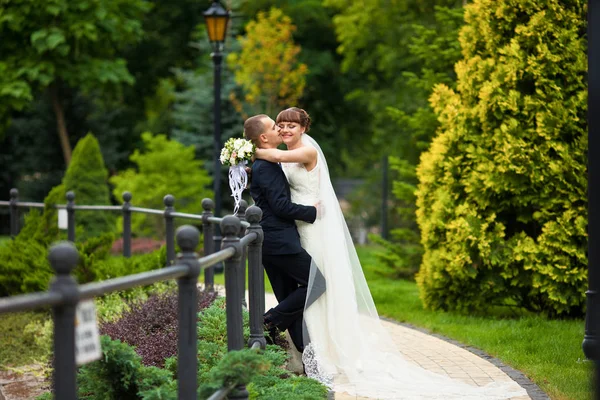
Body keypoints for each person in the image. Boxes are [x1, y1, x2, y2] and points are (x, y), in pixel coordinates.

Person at [254, 107, 528, 399]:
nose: (284, 130)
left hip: (314, 230)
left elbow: (275, 156)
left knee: (318, 288)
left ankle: (313, 347)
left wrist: (245, 151)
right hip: (297, 229)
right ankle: (304, 352)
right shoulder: (283, 155)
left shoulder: (306, 152)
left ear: (304, 129)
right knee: (307, 291)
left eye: (290, 126)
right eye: (280, 125)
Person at [243, 114, 325, 354]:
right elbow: (280, 207)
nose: (279, 129)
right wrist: (312, 212)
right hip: (279, 241)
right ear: (264, 137)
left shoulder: (267, 162)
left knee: (290, 298)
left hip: (272, 241)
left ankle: (307, 357)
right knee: (316, 282)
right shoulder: (266, 165)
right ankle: (266, 323)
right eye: (274, 126)